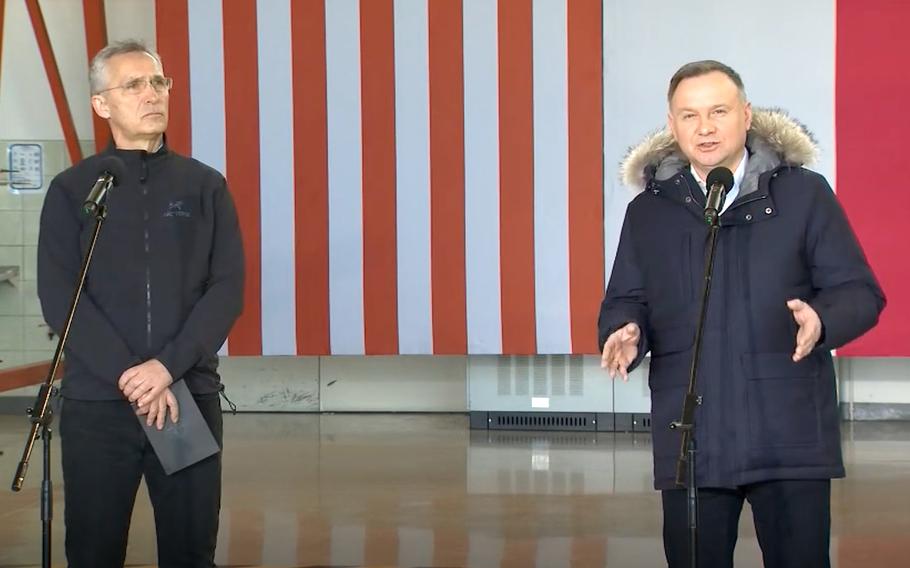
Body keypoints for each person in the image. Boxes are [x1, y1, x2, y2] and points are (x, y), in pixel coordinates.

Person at [598, 60, 884, 568]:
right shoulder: (650, 211)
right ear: (672, 125)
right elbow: (627, 296)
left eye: (718, 111)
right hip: (693, 439)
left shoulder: (802, 194)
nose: (704, 127)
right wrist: (626, 329)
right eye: (689, 115)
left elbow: (858, 292)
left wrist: (820, 320)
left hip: (789, 434)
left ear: (746, 115)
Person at [37, 40, 244, 567]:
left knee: (190, 550)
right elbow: (61, 296)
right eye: (133, 84)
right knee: (94, 551)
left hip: (182, 401)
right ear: (102, 104)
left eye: (158, 82)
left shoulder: (204, 186)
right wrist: (131, 375)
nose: (151, 94)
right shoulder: (74, 189)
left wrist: (166, 368)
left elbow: (226, 289)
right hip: (99, 407)